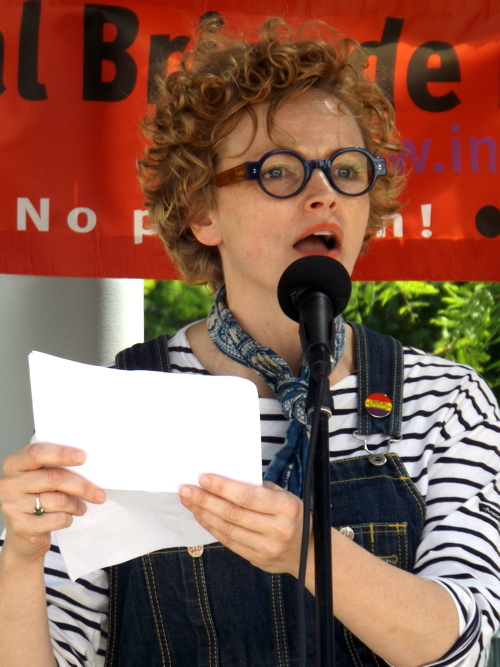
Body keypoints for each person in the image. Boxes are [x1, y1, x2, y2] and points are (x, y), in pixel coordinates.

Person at [1, 15, 499, 667]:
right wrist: (19, 558)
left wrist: (310, 551)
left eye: (347, 169)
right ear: (203, 211)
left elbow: (460, 643)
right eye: (280, 170)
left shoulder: (448, 402)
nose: (324, 194)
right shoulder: (117, 406)